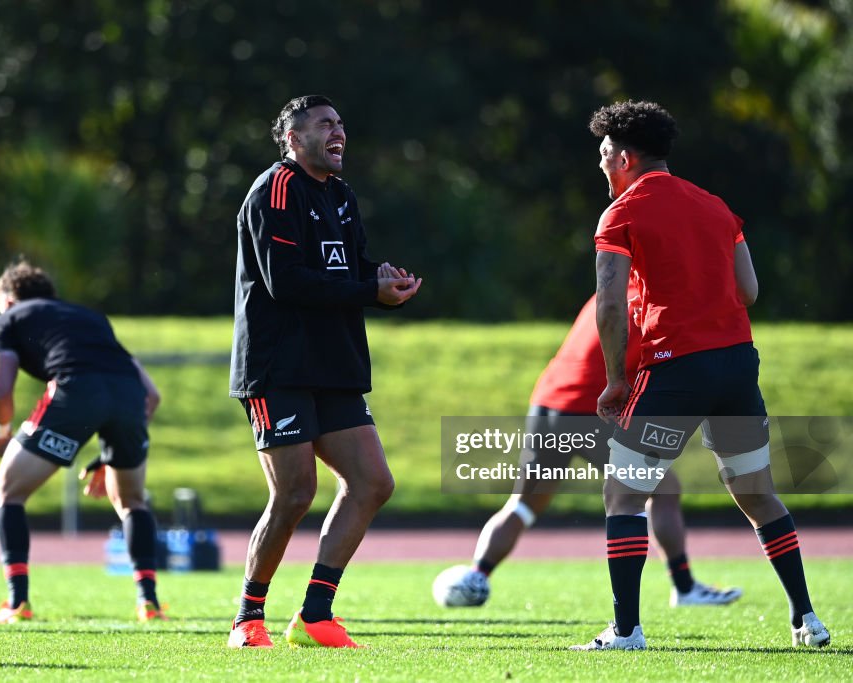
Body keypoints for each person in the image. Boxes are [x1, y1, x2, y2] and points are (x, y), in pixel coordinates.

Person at [572, 100, 829, 650]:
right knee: (758, 494)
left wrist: (616, 381)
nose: (600, 166)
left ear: (625, 155)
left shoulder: (621, 214)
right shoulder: (716, 207)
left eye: (602, 155)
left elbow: (610, 307)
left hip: (675, 370)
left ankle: (625, 631)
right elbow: (750, 292)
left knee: (623, 494)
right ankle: (806, 619)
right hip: (737, 366)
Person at [227, 95, 422, 649]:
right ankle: (247, 618)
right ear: (292, 140)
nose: (338, 132)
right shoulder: (276, 189)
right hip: (279, 367)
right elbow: (285, 282)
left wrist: (383, 281)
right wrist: (367, 290)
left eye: (340, 124)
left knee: (373, 482)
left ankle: (315, 615)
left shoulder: (340, 195)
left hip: (334, 364)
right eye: (323, 125)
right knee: (294, 493)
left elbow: (349, 267)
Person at [447, 287, 741, 608]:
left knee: (523, 504)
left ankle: (476, 577)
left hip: (548, 401)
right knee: (664, 488)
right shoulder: (655, 304)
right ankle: (684, 587)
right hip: (587, 409)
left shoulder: (612, 289)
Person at [0, 260, 165, 624]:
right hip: (129, 396)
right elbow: (151, 395)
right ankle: (149, 603)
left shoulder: (11, 317)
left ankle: (17, 603)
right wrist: (109, 452)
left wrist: (0, 429)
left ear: (9, 301)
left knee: (5, 493)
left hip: (76, 391)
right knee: (132, 501)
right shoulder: (88, 317)